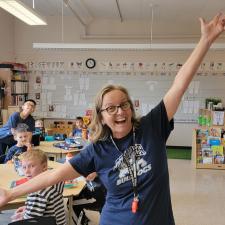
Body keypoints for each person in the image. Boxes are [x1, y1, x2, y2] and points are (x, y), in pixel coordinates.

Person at [0, 13, 225, 225]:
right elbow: (53, 176)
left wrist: (205, 40)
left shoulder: (151, 127)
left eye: (124, 104)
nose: (120, 111)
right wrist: (11, 193)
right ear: (101, 116)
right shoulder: (97, 150)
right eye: (111, 108)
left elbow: (179, 84)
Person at [10, 149, 66, 225]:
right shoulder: (54, 179)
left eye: (31, 166)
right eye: (24, 167)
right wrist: (28, 209)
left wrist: (21, 217)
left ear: (44, 166)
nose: (27, 171)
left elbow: (30, 222)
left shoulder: (37, 192)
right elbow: (46, 205)